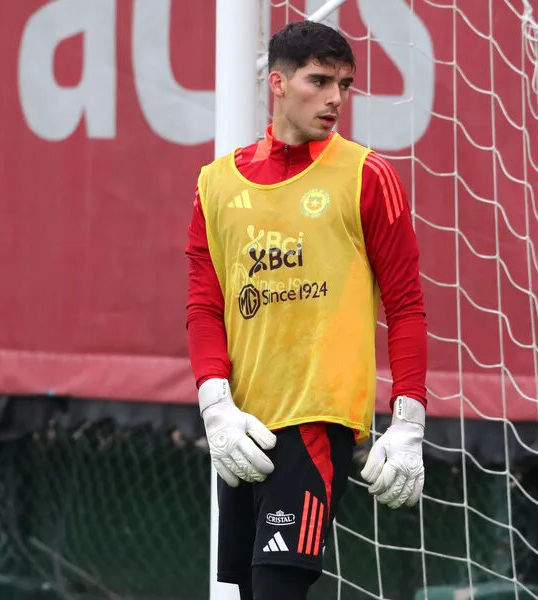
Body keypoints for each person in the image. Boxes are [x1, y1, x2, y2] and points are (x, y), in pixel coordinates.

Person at [185, 20, 429, 600]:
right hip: (243, 427)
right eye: (319, 81)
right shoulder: (215, 185)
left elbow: (407, 305)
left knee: (277, 589)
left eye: (344, 84)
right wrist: (215, 407)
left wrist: (410, 421)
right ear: (277, 83)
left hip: (317, 423)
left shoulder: (369, 176)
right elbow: (203, 306)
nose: (335, 99)